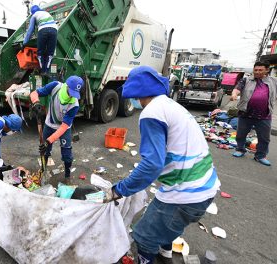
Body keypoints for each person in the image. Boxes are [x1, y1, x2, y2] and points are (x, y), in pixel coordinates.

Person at [104, 66, 220, 264]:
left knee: (144, 236)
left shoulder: (152, 113)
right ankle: (165, 254)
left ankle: (148, 258)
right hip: (204, 186)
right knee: (165, 223)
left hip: (185, 194)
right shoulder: (169, 105)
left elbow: (152, 164)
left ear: (137, 89)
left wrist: (119, 190)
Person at [30, 76, 84, 180]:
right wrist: (36, 102)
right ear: (66, 86)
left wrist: (49, 141)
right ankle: (43, 170)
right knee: (44, 151)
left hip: (64, 129)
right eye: (71, 91)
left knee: (67, 154)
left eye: (75, 93)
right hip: (49, 124)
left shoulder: (74, 104)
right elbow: (34, 93)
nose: (71, 96)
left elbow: (63, 127)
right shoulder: (55, 86)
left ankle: (67, 175)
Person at [231, 61, 277, 166]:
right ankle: (240, 149)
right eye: (255, 70)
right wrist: (234, 94)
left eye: (260, 70)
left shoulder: (274, 81)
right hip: (245, 113)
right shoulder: (246, 80)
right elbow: (237, 88)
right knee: (241, 134)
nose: (257, 72)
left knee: (264, 138)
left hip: (264, 115)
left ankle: (260, 156)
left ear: (267, 70)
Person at [23, 5, 58, 74]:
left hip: (43, 31)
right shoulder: (46, 13)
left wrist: (24, 43)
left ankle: (42, 70)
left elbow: (30, 30)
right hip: (54, 30)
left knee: (40, 52)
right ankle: (47, 71)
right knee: (50, 52)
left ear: (32, 12)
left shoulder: (34, 15)